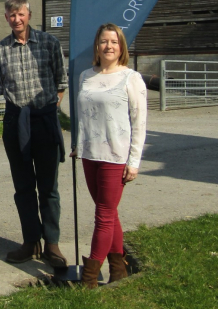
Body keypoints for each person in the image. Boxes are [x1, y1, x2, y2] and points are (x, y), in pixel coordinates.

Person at [0, 0, 68, 268]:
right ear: (6, 18)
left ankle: (52, 244)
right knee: (23, 187)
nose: (17, 20)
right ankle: (30, 242)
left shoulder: (50, 43)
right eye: (12, 15)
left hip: (44, 119)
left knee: (48, 188)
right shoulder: (1, 50)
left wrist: (48, 111)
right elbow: (2, 85)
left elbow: (61, 81)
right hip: (16, 122)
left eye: (21, 14)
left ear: (29, 14)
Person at [72, 23, 147, 288]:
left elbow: (139, 122)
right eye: (104, 41)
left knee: (103, 215)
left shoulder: (131, 78)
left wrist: (134, 162)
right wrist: (78, 145)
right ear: (97, 46)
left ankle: (90, 276)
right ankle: (119, 268)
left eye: (114, 42)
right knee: (109, 213)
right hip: (90, 154)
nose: (109, 46)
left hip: (115, 156)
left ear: (121, 46)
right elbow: (82, 117)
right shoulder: (85, 76)